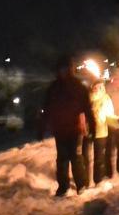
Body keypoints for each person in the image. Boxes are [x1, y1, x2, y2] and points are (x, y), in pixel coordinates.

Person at [39, 55, 95, 196]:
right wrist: (41, 127)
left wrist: (92, 125)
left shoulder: (78, 87)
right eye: (61, 69)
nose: (63, 71)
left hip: (75, 128)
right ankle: (63, 186)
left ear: (70, 69)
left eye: (66, 68)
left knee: (76, 156)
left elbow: (87, 108)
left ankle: (80, 184)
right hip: (59, 128)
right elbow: (46, 109)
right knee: (62, 158)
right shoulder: (53, 88)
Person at [89, 78, 119, 184]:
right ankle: (96, 179)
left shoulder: (106, 99)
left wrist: (117, 121)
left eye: (101, 87)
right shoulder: (89, 99)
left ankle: (103, 177)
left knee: (102, 156)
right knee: (94, 157)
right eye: (96, 87)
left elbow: (109, 115)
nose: (98, 89)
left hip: (102, 131)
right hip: (90, 131)